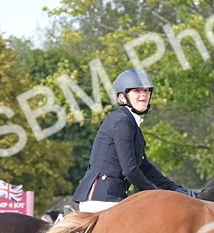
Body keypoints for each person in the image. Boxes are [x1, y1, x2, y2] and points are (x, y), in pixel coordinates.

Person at [73, 68, 196, 213]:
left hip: (114, 196)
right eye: (137, 91)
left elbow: (144, 166)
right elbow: (130, 170)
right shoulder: (122, 122)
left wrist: (174, 188)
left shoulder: (130, 122)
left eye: (147, 91)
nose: (143, 94)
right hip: (101, 198)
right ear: (122, 98)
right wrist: (157, 195)